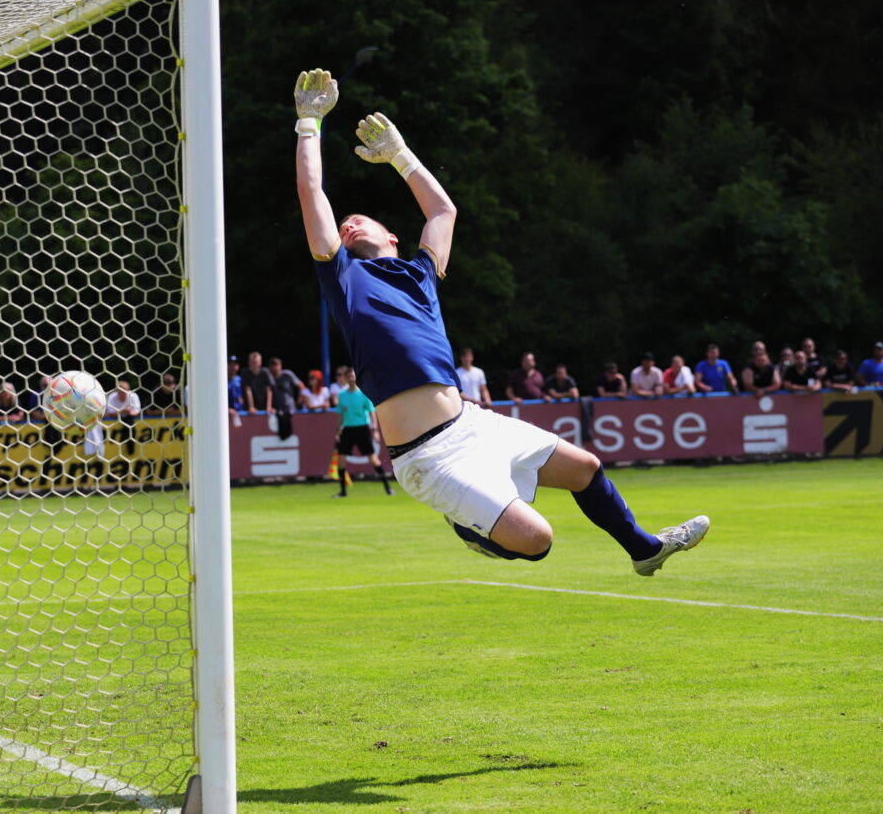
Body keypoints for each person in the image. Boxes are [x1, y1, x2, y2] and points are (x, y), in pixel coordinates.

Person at [293, 67, 707, 573]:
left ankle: (645, 549)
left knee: (586, 468)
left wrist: (400, 156)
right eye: (343, 223)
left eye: (358, 218)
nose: (347, 222)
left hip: (471, 422)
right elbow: (313, 196)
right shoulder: (343, 277)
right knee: (538, 540)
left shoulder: (421, 271)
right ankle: (468, 526)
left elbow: (443, 212)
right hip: (428, 457)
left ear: (393, 238)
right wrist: (309, 125)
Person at [330, 368, 393, 498]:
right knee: (341, 459)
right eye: (349, 376)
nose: (351, 377)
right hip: (347, 429)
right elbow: (341, 415)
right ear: (346, 378)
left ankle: (387, 487)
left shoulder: (364, 394)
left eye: (353, 375)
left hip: (362, 429)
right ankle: (343, 492)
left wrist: (374, 430)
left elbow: (371, 412)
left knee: (372, 458)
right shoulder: (342, 395)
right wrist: (337, 431)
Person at [268, 357, 303, 439]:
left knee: (292, 433)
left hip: (290, 409)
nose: (275, 368)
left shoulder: (287, 374)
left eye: (277, 365)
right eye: (273, 365)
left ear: (281, 366)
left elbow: (301, 386)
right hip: (276, 411)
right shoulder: (268, 377)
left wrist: (299, 400)